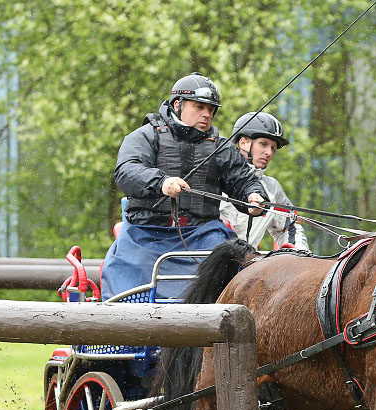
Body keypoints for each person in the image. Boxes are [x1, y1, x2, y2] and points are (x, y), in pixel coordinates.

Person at [101, 72, 267, 299]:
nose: (207, 115)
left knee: (232, 261)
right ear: (177, 104)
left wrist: (254, 197)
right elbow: (127, 171)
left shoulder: (220, 147)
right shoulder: (145, 136)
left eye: (211, 110)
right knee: (124, 275)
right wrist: (161, 182)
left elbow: (244, 179)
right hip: (146, 234)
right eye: (199, 107)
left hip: (203, 234)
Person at [220, 112, 309, 251]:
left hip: (248, 267)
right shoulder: (216, 178)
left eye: (273, 148)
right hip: (208, 264)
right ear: (243, 143)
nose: (269, 152)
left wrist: (299, 255)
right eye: (263, 144)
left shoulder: (272, 188)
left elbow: (289, 226)